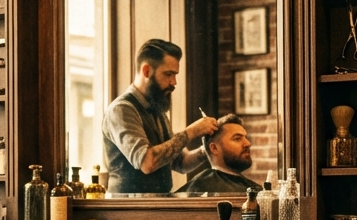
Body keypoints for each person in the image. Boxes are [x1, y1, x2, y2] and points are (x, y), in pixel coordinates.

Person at [102, 39, 218, 194]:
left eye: (175, 75)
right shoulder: (122, 109)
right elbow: (147, 162)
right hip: (128, 210)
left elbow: (181, 162)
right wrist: (192, 131)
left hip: (156, 206)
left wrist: (207, 150)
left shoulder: (157, 109)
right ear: (146, 71)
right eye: (168, 74)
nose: (174, 82)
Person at [174, 114, 261, 195]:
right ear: (214, 148)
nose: (248, 143)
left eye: (246, 138)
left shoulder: (255, 187)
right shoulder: (204, 186)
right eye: (237, 139)